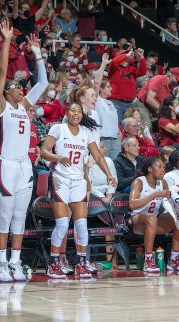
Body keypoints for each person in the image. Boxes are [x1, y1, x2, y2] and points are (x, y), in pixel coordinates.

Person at [0, 27, 47, 282]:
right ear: (5, 91)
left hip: (24, 165)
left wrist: (36, 53)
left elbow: (44, 83)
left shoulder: (24, 105)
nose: (20, 89)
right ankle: (1, 263)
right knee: (6, 213)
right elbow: (2, 73)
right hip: (5, 164)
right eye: (15, 87)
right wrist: (7, 41)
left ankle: (15, 261)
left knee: (20, 215)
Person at [40, 103, 116, 279]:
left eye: (79, 111)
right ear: (66, 113)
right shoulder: (58, 129)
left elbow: (97, 156)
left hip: (78, 180)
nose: (76, 113)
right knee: (62, 224)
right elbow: (43, 152)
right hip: (60, 178)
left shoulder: (86, 132)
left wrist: (108, 174)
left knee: (81, 224)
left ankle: (81, 263)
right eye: (73, 110)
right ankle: (54, 264)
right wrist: (57, 157)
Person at [128, 157, 179, 273]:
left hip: (153, 220)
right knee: (151, 218)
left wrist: (175, 191)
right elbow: (132, 205)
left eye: (163, 167)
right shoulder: (139, 182)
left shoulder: (163, 183)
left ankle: (173, 259)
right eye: (159, 167)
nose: (163, 170)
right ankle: (148, 260)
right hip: (134, 220)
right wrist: (155, 195)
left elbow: (169, 198)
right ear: (150, 169)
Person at [93, 54, 121, 159]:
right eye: (108, 86)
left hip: (115, 140)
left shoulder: (111, 103)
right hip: (104, 139)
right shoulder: (97, 101)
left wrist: (118, 134)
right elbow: (96, 84)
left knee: (114, 167)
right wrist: (104, 64)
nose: (111, 89)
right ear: (101, 89)